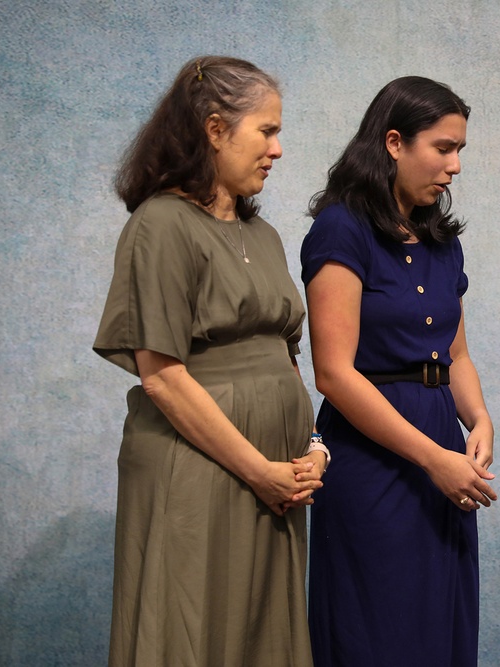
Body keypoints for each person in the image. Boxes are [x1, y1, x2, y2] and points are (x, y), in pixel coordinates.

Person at [93, 56, 327, 667]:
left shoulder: (264, 237)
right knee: (190, 630)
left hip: (272, 482)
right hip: (201, 472)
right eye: (267, 131)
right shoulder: (161, 225)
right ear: (216, 130)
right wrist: (260, 470)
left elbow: (286, 357)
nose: (278, 148)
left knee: (259, 636)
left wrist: (311, 446)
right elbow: (163, 377)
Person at [301, 76, 496, 667]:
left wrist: (479, 419)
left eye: (459, 150)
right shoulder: (341, 230)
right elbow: (333, 374)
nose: (455, 165)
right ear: (393, 142)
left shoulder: (442, 241)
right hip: (372, 455)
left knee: (441, 622)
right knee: (376, 629)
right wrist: (434, 459)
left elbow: (454, 353)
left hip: (443, 444)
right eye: (443, 148)